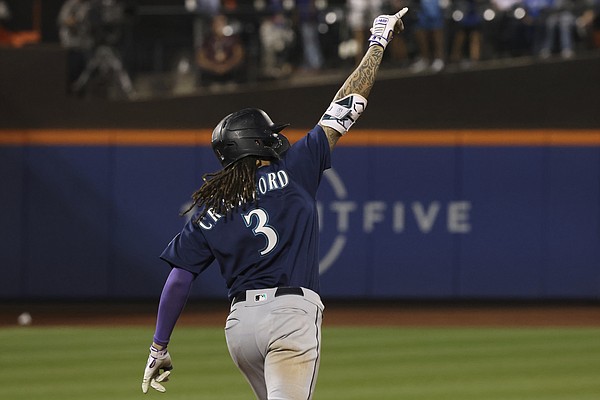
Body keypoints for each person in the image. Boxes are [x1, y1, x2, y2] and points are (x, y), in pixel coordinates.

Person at [141, 7, 409, 400]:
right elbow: (349, 102)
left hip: (239, 329)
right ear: (259, 142)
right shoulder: (297, 165)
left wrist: (158, 346)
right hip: (289, 316)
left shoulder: (210, 207)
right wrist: (378, 40)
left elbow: (179, 279)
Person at [196, 13, 245, 87]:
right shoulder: (207, 41)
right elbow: (200, 59)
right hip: (212, 77)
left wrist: (227, 66)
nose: (219, 26)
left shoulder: (233, 39)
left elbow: (239, 56)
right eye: (217, 23)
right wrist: (214, 67)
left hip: (231, 76)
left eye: (222, 22)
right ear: (212, 25)